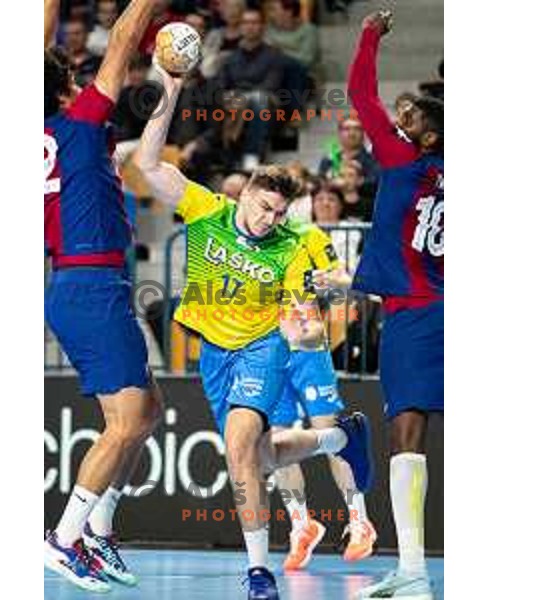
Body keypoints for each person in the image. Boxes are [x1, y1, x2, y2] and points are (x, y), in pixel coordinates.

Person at [136, 62, 374, 600]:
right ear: (243, 195)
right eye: (264, 208)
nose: (269, 219)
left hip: (262, 349)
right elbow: (148, 165)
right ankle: (339, 437)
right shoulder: (207, 210)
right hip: (214, 354)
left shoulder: (292, 242)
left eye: (278, 211)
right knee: (260, 457)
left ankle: (259, 572)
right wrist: (169, 91)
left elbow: (321, 297)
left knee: (242, 449)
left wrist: (314, 307)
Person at [44, 0, 161, 592]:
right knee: (127, 422)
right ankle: (64, 537)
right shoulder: (81, 122)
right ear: (65, 87)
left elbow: (40, 58)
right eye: (69, 74)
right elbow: (123, 37)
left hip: (83, 283)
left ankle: (98, 529)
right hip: (90, 284)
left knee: (147, 412)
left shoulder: (46, 127)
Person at [328, 11, 444, 599]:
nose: (399, 120)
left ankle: (415, 571)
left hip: (415, 316)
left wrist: (370, 32)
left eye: (410, 118)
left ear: (425, 138)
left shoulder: (401, 161)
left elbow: (358, 93)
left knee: (407, 439)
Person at [269, 223, 377, 571]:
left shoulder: (309, 235)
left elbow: (344, 279)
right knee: (275, 442)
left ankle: (359, 521)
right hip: (267, 352)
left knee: (331, 433)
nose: (271, 214)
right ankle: (302, 526)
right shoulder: (246, 242)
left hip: (308, 345)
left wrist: (330, 282)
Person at [218, 8, 285, 171]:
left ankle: (251, 154)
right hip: (234, 100)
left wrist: (242, 96)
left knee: (258, 98)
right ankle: (222, 154)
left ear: (262, 26)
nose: (250, 27)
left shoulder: (274, 55)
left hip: (267, 101)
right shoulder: (230, 57)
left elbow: (271, 85)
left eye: (254, 22)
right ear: (240, 27)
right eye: (246, 23)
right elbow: (221, 85)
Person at [318, 118, 380, 192]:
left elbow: (376, 183)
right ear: (339, 133)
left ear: (363, 134)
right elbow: (320, 183)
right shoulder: (328, 160)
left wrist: (350, 183)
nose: (352, 133)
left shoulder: (374, 160)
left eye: (357, 129)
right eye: (347, 129)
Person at [63, 18, 102, 87]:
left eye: (77, 33)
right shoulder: (57, 62)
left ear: (87, 35)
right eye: (68, 34)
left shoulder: (99, 61)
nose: (72, 38)